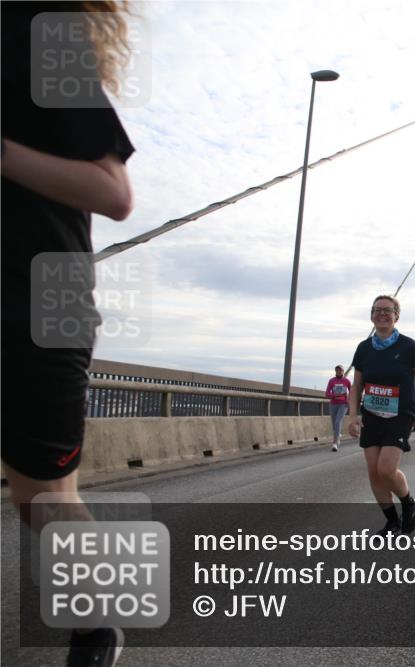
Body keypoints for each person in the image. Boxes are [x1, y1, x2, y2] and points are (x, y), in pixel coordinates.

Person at [2, 3, 136, 664]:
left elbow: (113, 192)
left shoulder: (35, 31)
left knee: (44, 501)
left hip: (40, 301)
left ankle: (100, 619)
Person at [347, 295, 415, 537]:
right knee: (373, 472)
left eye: (388, 310)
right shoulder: (364, 348)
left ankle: (408, 502)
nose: (382, 314)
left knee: (386, 469)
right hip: (372, 414)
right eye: (377, 310)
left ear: (396, 316)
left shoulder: (409, 347)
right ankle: (392, 521)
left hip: (400, 414)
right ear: (371, 315)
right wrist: (352, 415)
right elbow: (357, 385)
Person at [325, 365, 351, 451]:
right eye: (337, 370)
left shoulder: (347, 381)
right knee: (334, 424)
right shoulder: (331, 381)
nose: (338, 372)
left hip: (343, 404)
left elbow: (351, 392)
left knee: (337, 422)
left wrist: (348, 400)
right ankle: (338, 434)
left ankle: (334, 443)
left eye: (340, 370)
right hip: (333, 404)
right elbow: (327, 394)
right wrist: (334, 395)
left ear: (343, 371)